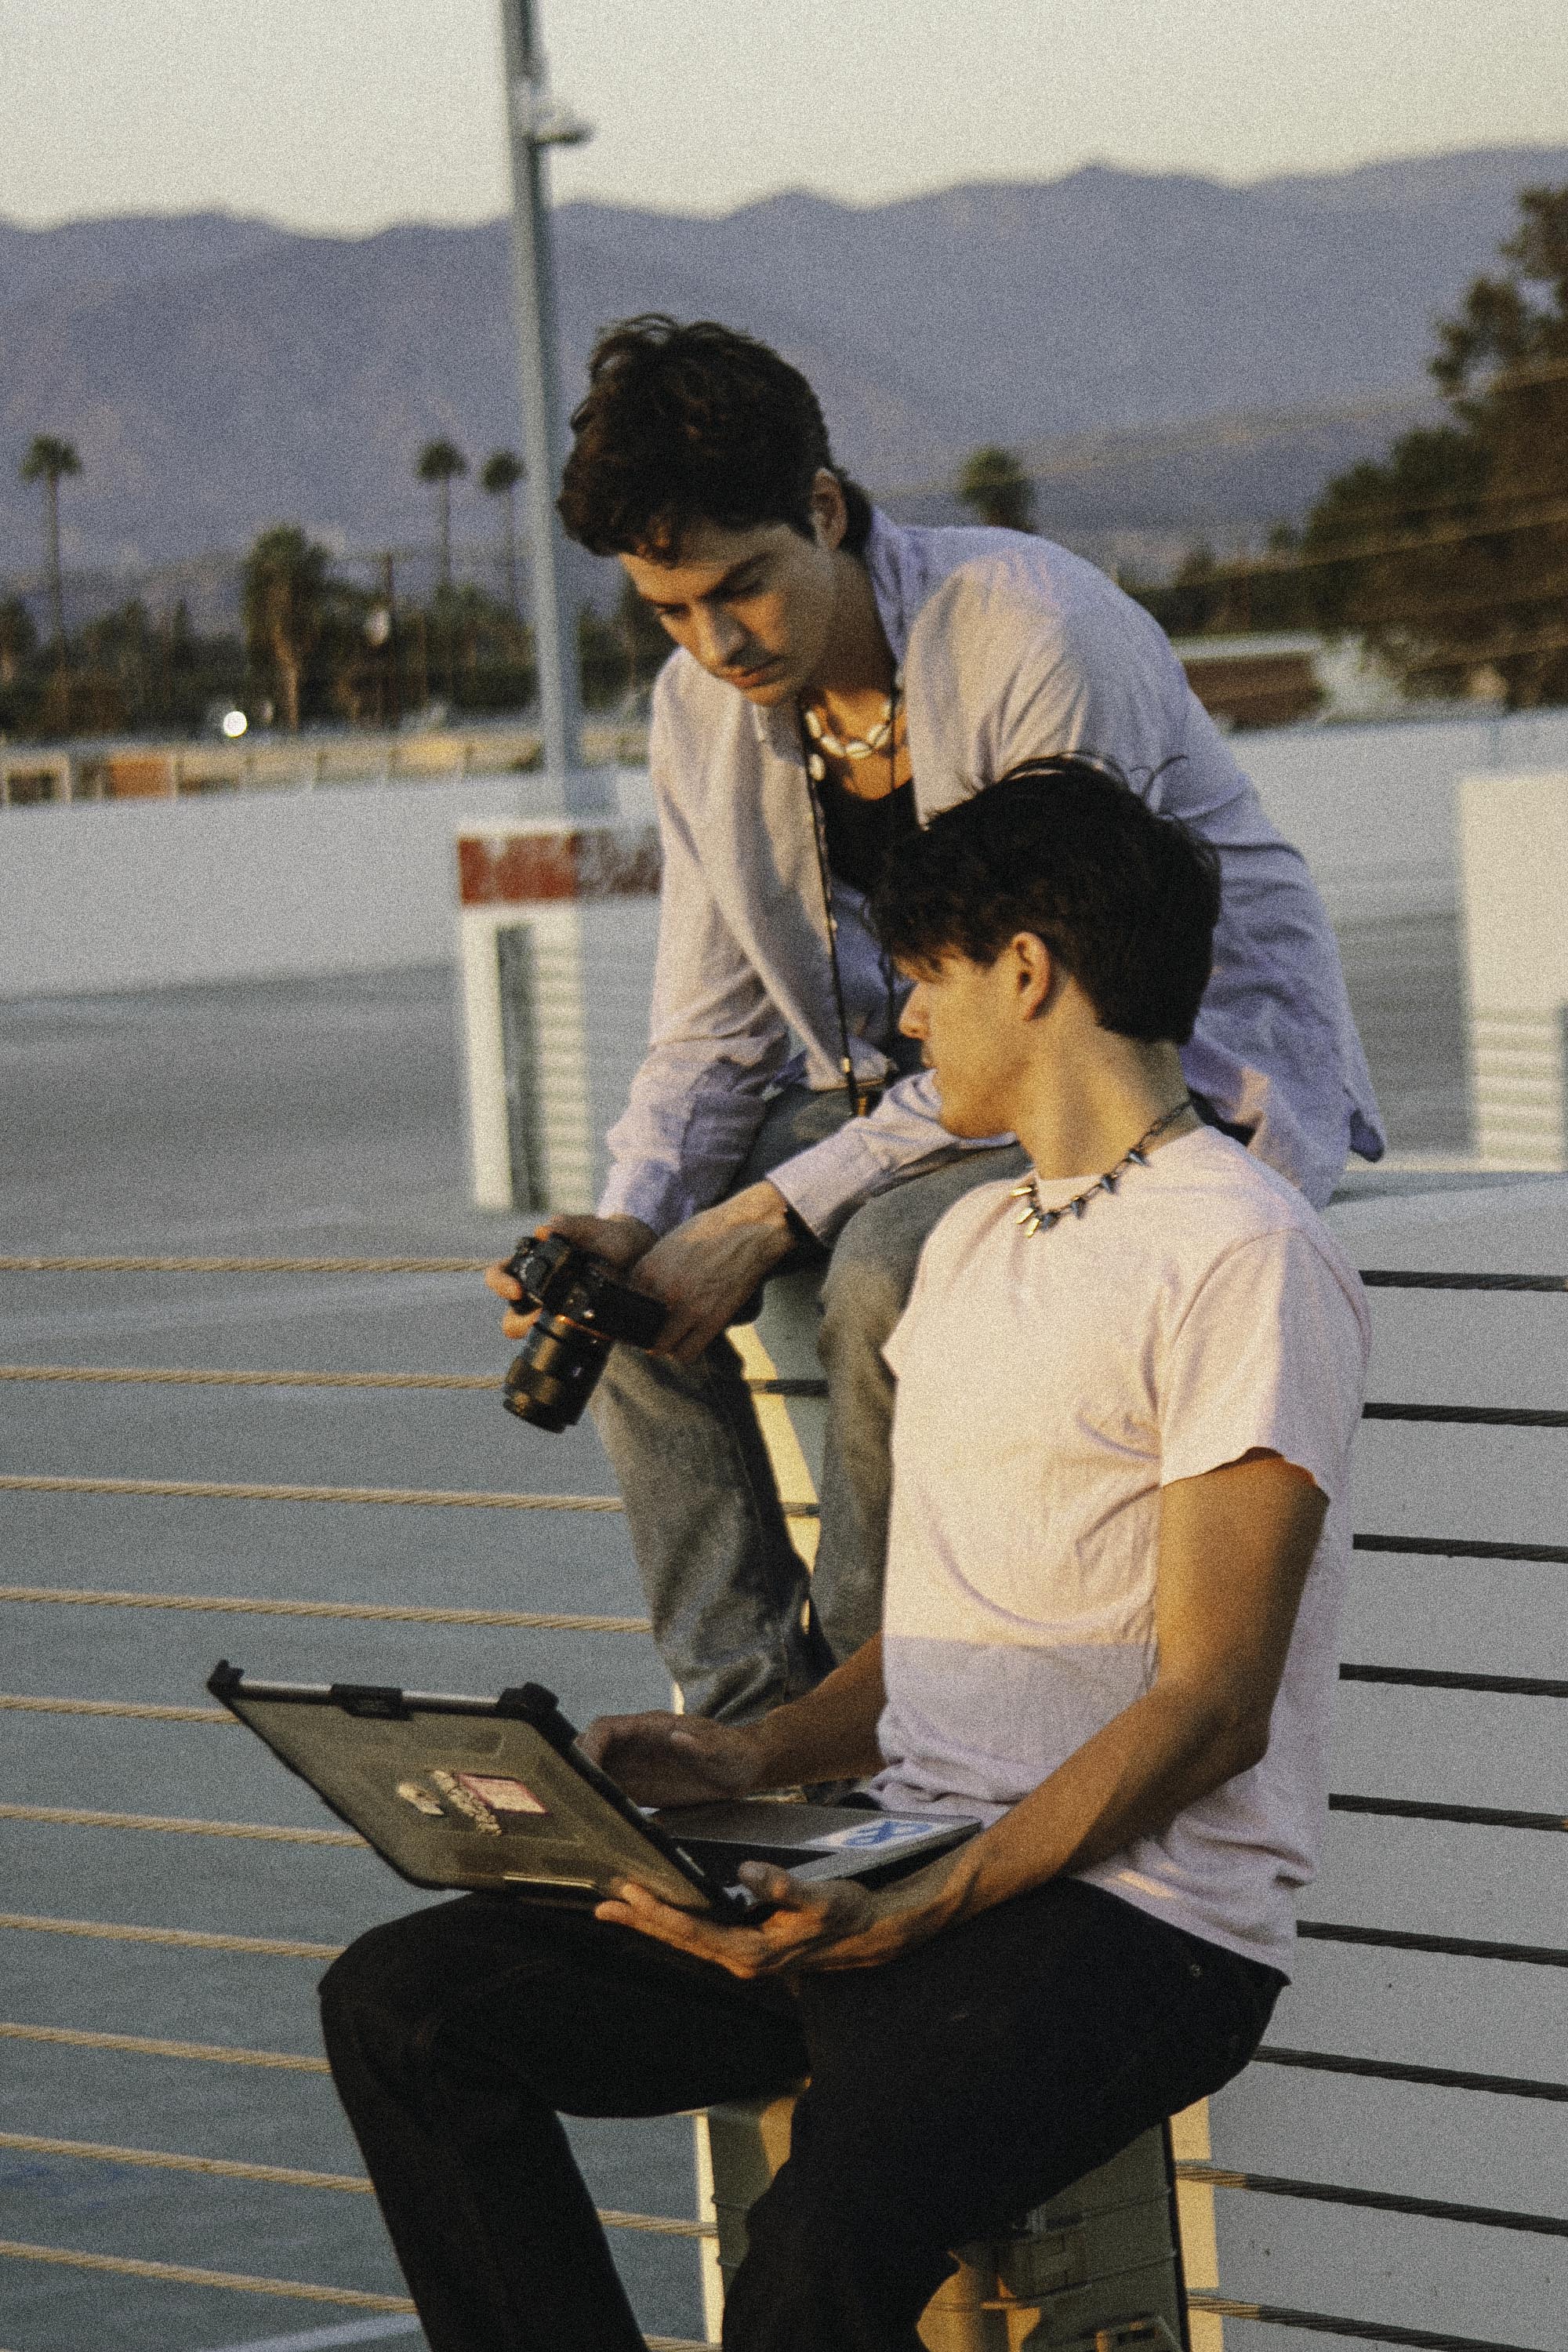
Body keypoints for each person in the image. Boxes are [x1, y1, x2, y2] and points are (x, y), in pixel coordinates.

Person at [327, 764, 1371, 2352]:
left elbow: (1214, 1703)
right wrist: (741, 1751)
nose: (900, 1029)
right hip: (905, 1861)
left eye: (924, 980)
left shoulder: (1242, 1252)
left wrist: (937, 1896)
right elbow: (935, 1643)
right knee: (410, 2009)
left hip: (1141, 1923)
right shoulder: (968, 1243)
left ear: (1026, 972)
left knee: (815, 2258)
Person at [488, 314, 1383, 1720]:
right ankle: (733, 1714)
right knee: (631, 1277)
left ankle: (858, 1711)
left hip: (1143, 1064)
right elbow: (713, 1034)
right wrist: (633, 1212)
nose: (714, 642)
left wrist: (771, 1213)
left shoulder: (1032, 632)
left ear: (827, 512)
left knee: (889, 1267)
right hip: (935, 1076)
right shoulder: (697, 712)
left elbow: (1050, 1006)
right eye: (669, 610)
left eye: (745, 586)